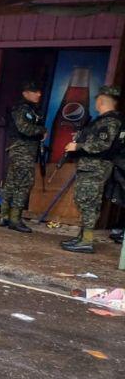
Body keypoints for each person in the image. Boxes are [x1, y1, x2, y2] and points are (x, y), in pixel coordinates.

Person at [61, 85, 123, 253]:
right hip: (90, 167)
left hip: (96, 167)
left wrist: (78, 146)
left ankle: (86, 241)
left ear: (101, 101)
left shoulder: (110, 121)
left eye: (97, 101)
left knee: (88, 202)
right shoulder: (102, 120)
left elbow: (103, 144)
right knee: (83, 200)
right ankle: (82, 237)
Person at [0, 80, 46, 232]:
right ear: (25, 93)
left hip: (22, 151)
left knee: (12, 183)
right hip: (22, 151)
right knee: (24, 183)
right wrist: (42, 130)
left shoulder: (30, 109)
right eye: (35, 91)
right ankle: (15, 219)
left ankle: (4, 216)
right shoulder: (22, 108)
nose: (39, 94)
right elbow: (24, 128)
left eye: (39, 91)